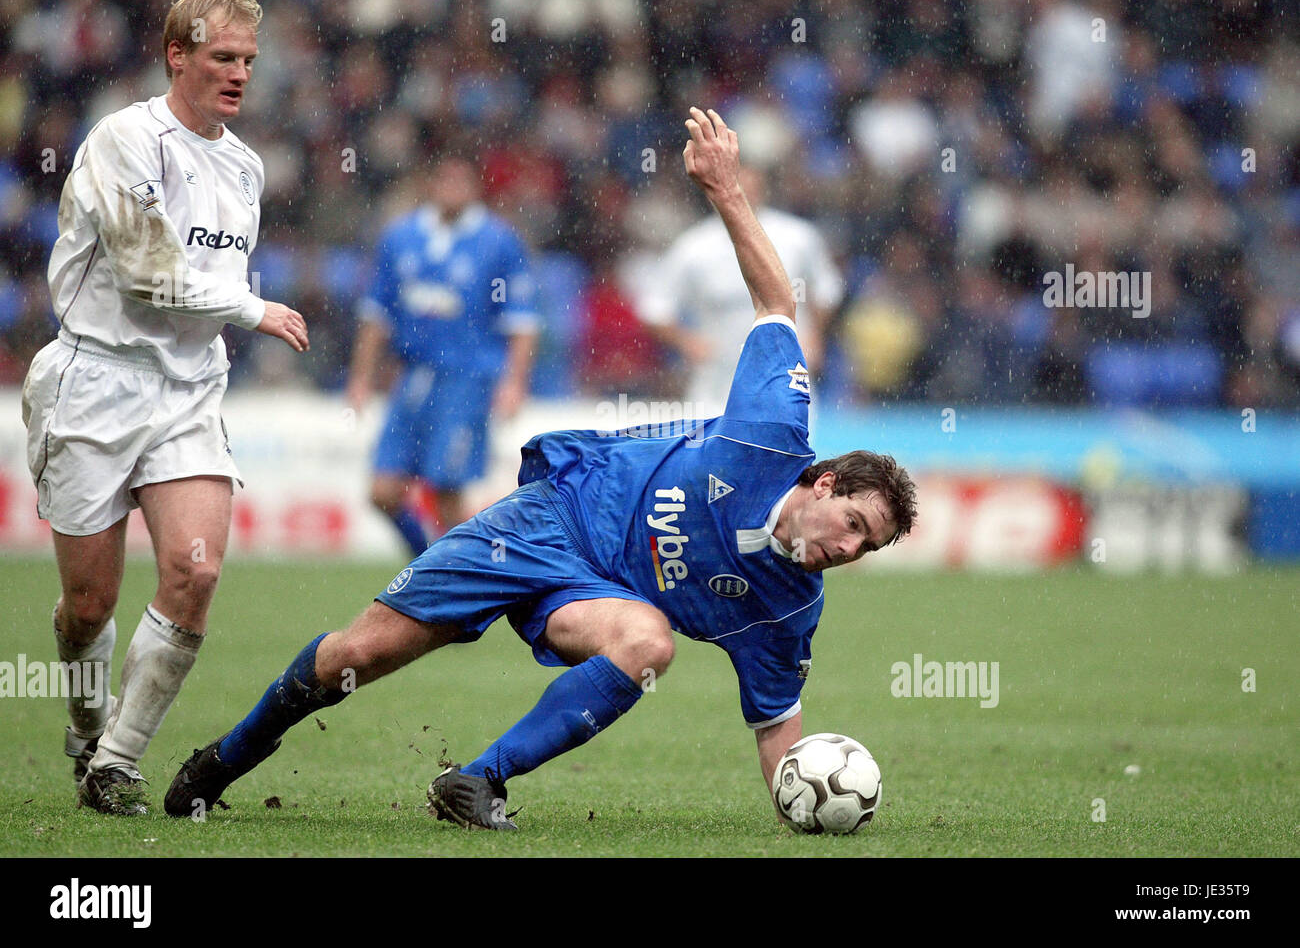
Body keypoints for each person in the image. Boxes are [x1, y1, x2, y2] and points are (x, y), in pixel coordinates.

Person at [165, 108, 916, 828]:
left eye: (867, 546)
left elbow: (776, 729)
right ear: (823, 483)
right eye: (854, 522)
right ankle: (227, 756)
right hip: (552, 517)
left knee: (648, 643)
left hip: (597, 596)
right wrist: (725, 189)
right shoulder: (774, 433)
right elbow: (778, 304)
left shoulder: (788, 609)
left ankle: (476, 779)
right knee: (359, 654)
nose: (849, 549)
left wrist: (803, 803)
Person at [20, 0, 307, 815]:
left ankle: (117, 759)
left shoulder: (246, 166)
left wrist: (233, 314)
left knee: (195, 569)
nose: (239, 75)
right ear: (177, 54)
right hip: (94, 380)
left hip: (185, 388)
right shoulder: (124, 140)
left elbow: (205, 281)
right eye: (223, 58)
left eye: (249, 61)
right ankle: (85, 726)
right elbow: (148, 271)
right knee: (89, 605)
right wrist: (256, 308)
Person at [345, 156, 539, 555]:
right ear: (430, 183)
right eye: (444, 179)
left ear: (475, 186)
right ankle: (425, 562)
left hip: (466, 379)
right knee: (382, 491)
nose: (451, 188)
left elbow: (521, 321)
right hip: (412, 377)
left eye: (460, 180)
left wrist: (514, 383)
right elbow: (376, 315)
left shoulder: (498, 241)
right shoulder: (400, 237)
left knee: (447, 493)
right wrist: (360, 378)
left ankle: (480, 576)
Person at [638, 163, 844, 415]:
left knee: (792, 449)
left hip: (786, 373)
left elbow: (827, 290)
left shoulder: (798, 238)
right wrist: (686, 341)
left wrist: (815, 337)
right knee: (716, 452)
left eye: (749, 190)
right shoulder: (693, 248)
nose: (742, 198)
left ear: (763, 190)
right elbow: (654, 306)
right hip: (719, 380)